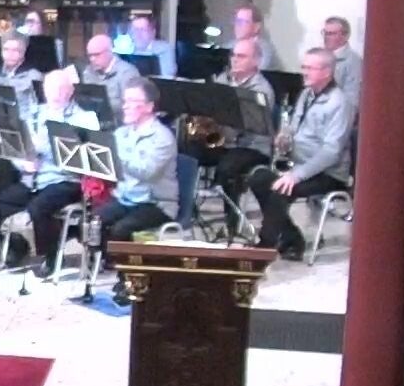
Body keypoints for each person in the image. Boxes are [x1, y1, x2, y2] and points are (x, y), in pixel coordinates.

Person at [0, 68, 97, 288]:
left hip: (65, 180)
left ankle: (50, 254)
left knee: (39, 207)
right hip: (31, 179)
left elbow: (83, 155)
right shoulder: (33, 113)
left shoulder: (84, 118)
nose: (54, 93)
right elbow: (16, 145)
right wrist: (23, 163)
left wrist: (40, 148)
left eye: (60, 88)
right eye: (50, 88)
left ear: (70, 91)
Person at [245, 48, 353, 259]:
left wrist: (297, 175)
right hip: (300, 165)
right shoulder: (306, 94)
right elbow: (295, 127)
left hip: (328, 173)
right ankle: (292, 239)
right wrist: (285, 136)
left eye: (310, 68)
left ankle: (265, 245)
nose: (304, 72)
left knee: (279, 191)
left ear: (326, 72)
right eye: (304, 67)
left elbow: (331, 152)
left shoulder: (340, 103)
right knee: (258, 179)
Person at [187, 36, 276, 239]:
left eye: (241, 56)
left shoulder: (261, 89)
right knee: (189, 152)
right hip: (225, 141)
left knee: (228, 168)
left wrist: (221, 118)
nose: (235, 59)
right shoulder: (223, 79)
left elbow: (248, 126)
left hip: (251, 146)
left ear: (256, 61)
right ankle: (189, 210)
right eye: (233, 55)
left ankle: (232, 223)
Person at [98, 77, 178, 257]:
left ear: (149, 107)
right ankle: (106, 262)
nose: (125, 106)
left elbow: (147, 172)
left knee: (120, 230)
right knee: (95, 221)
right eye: (124, 101)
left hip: (155, 203)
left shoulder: (162, 137)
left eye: (132, 101)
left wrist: (116, 156)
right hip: (125, 197)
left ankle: (125, 269)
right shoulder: (121, 133)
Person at [83, 35, 143, 116]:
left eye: (97, 54)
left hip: (119, 120)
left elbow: (131, 105)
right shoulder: (88, 71)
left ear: (109, 52)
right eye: (90, 55)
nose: (92, 59)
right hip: (93, 118)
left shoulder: (127, 73)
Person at [112, 15, 177, 78]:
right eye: (135, 30)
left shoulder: (165, 49)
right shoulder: (123, 50)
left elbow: (167, 77)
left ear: (153, 33)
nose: (138, 34)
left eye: (142, 30)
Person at [0, 34, 42, 104]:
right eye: (6, 49)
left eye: (15, 50)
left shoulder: (34, 76)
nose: (10, 54)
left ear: (23, 51)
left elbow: (39, 105)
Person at [321, 16, 361, 106]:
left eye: (331, 34)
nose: (326, 37)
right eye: (324, 33)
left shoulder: (353, 61)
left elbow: (351, 101)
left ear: (345, 36)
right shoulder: (320, 56)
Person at [231, 4, 277, 70]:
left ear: (256, 27)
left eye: (242, 22)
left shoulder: (264, 50)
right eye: (236, 21)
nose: (237, 25)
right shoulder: (229, 46)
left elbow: (258, 72)